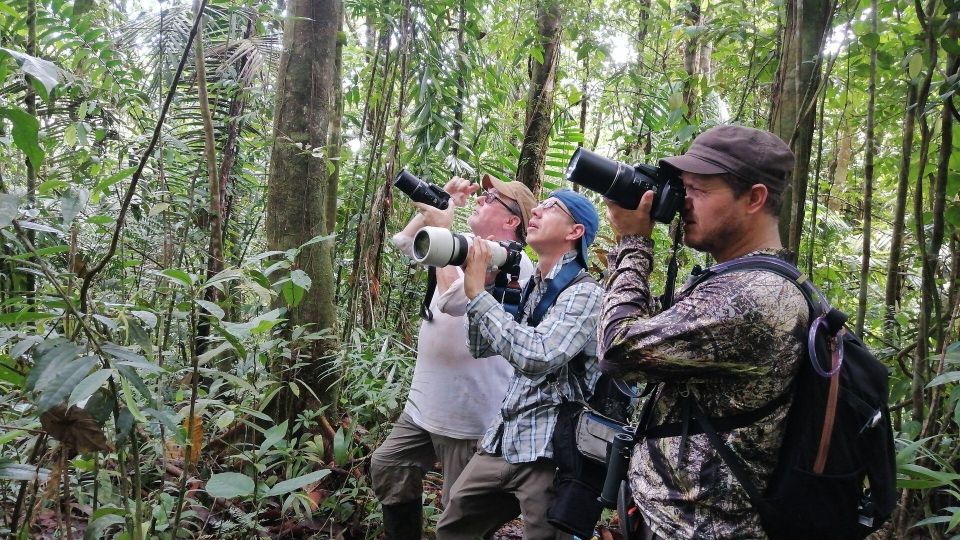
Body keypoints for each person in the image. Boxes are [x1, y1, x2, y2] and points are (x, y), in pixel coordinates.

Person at [598, 125, 808, 539]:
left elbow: (617, 348)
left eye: (700, 190)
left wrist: (633, 244)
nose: (683, 202)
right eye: (683, 187)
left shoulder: (755, 295)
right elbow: (643, 327)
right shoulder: (731, 281)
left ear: (754, 198)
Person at [371, 174, 537, 539]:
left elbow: (452, 301)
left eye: (492, 198)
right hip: (425, 403)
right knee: (389, 467)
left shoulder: (513, 264)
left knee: (458, 511)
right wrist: (441, 207)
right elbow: (403, 242)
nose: (481, 200)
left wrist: (443, 234)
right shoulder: (468, 247)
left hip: (466, 413)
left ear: (512, 220)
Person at [436, 189, 603, 540]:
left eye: (550, 207)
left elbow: (537, 356)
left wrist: (478, 298)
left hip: (551, 451)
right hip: (507, 439)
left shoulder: (585, 293)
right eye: (538, 205)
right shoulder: (532, 288)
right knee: (454, 527)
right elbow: (480, 346)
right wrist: (485, 283)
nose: (537, 211)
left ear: (575, 232)